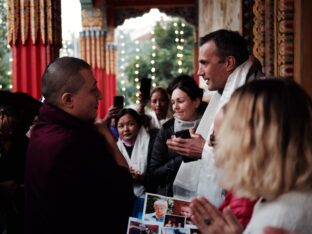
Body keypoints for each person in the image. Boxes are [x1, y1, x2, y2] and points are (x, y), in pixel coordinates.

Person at [25, 57, 134, 234]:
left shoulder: (40, 129)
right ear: (68, 100)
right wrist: (106, 135)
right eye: (93, 90)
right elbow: (124, 189)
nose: (99, 95)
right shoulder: (74, 143)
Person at [190, 78, 312, 234]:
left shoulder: (280, 217)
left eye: (227, 134)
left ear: (255, 142)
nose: (220, 147)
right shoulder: (287, 198)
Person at [167, 29, 263, 204]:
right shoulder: (223, 93)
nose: (199, 72)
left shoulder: (256, 99)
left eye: (204, 63)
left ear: (229, 63)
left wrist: (203, 149)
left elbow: (258, 159)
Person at [147, 75, 205, 196]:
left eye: (180, 101)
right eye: (173, 102)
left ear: (196, 102)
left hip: (203, 196)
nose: (175, 107)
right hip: (172, 197)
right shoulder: (167, 129)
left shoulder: (209, 124)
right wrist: (183, 156)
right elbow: (154, 173)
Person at [0, 91, 41, 234]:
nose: (24, 129)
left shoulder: (24, 144)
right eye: (18, 123)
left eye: (28, 124)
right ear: (2, 114)